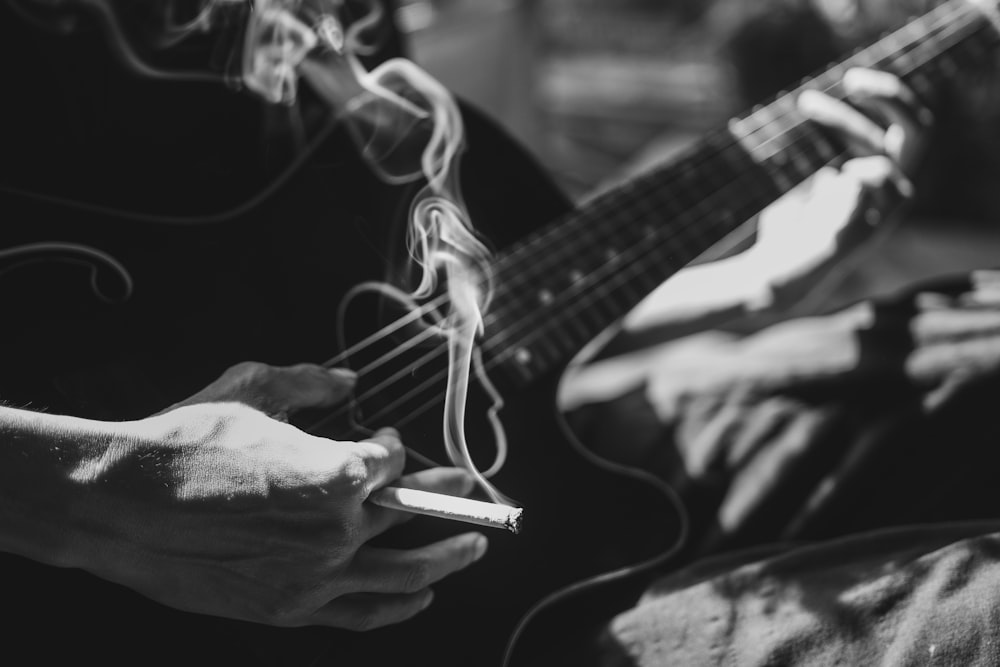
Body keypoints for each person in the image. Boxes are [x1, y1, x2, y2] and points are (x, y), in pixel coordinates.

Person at [0, 0, 983, 665]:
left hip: (539, 502)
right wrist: (107, 496)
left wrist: (742, 282)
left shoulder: (326, 50)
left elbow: (441, 329)